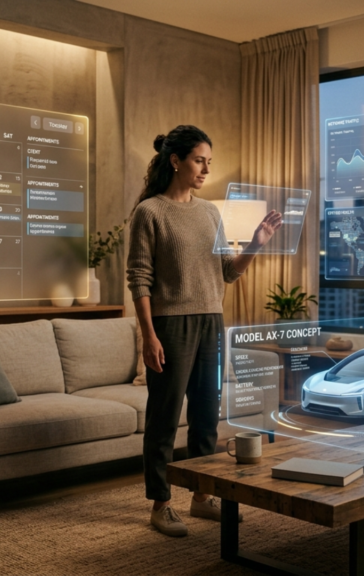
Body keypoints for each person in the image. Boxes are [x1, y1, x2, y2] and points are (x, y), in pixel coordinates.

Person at [127, 125, 282, 537]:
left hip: (212, 321)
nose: (205, 169)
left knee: (205, 416)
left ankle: (200, 496)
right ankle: (161, 504)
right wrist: (149, 335)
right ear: (175, 161)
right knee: (163, 417)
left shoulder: (211, 212)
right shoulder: (150, 212)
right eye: (199, 160)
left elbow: (227, 273)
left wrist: (256, 242)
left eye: (208, 162)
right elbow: (139, 279)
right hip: (170, 325)